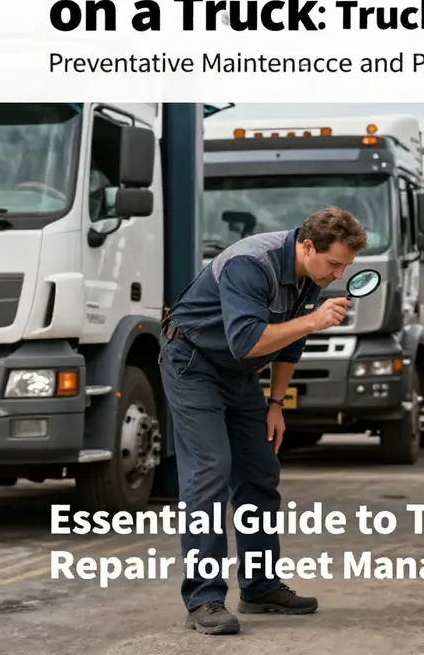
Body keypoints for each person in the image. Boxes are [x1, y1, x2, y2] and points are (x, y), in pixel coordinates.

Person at [158, 207, 368, 635]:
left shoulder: (311, 276)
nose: (338, 274)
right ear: (307, 246)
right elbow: (246, 340)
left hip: (241, 375)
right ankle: (204, 599)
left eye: (346, 267)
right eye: (334, 264)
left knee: (259, 474)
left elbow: (290, 344)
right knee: (209, 471)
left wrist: (276, 404)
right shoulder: (250, 264)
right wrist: (312, 319)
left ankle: (259, 587)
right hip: (193, 363)